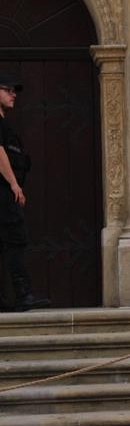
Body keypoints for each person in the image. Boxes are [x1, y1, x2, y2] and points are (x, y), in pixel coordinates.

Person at [0, 72, 50, 312]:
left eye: (14, 91)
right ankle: (23, 295)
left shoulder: (5, 124)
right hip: (3, 192)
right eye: (8, 90)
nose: (13, 95)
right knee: (15, 240)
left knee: (5, 242)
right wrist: (13, 184)